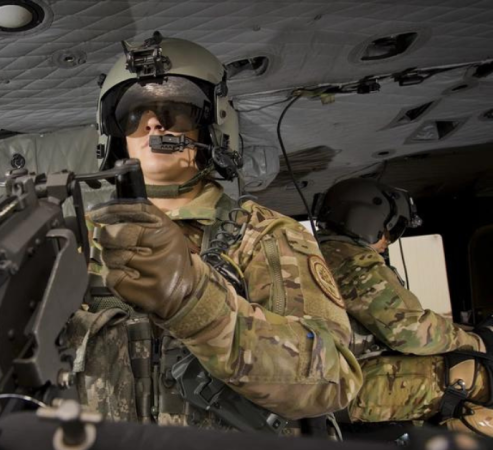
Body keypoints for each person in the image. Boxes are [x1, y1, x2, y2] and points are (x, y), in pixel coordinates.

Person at [66, 32, 363, 433]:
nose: (153, 122)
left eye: (177, 109)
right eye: (133, 113)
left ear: (213, 124)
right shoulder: (78, 242)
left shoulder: (265, 235)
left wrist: (198, 305)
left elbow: (333, 379)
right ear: (114, 133)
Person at [315, 178, 493, 436]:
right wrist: (477, 343)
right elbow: (410, 332)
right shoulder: (349, 260)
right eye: (392, 228)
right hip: (340, 386)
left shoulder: (324, 254)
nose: (390, 238)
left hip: (335, 380)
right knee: (476, 377)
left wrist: (466, 334)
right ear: (366, 221)